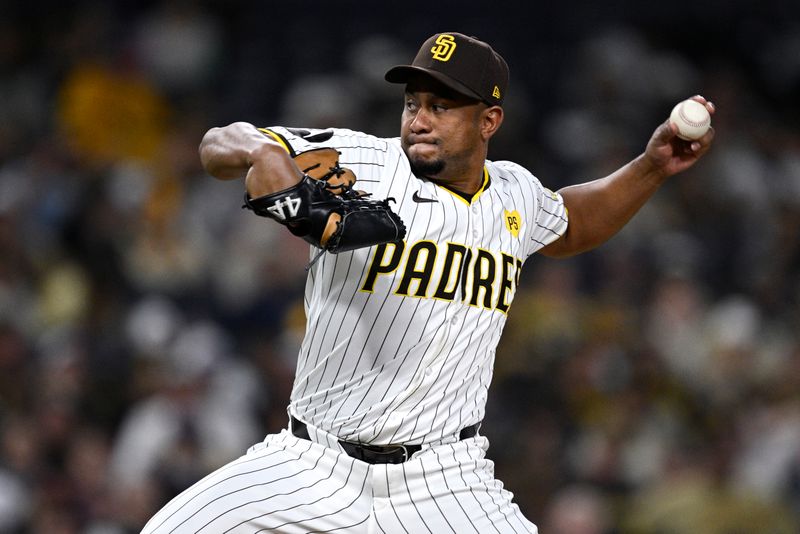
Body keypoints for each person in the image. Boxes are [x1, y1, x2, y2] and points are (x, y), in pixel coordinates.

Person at [142, 31, 715, 533]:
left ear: (488, 121)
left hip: (442, 477)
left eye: (441, 106)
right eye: (412, 102)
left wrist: (651, 167)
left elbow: (573, 222)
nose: (418, 119)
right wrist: (260, 148)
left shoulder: (514, 193)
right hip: (312, 461)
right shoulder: (362, 161)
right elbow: (216, 141)